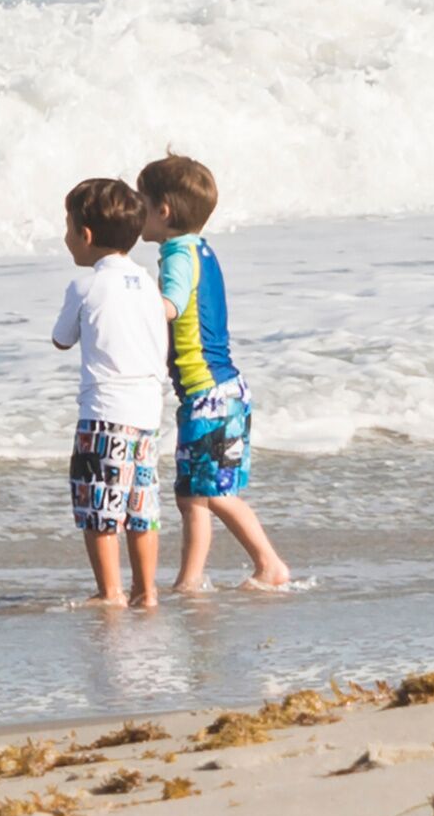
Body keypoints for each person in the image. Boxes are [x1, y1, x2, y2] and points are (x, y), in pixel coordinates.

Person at [138, 152, 293, 593]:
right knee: (192, 493)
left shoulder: (178, 255)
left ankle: (271, 565)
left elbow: (169, 306)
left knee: (216, 492)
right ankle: (190, 580)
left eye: (140, 203)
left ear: (162, 211)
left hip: (211, 393)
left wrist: (132, 301)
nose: (136, 213)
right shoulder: (197, 249)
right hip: (212, 393)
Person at [49, 175, 169, 608]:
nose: (66, 239)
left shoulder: (85, 285)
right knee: (140, 505)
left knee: (98, 503)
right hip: (146, 414)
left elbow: (62, 338)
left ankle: (110, 592)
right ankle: (146, 590)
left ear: (84, 235)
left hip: (104, 411)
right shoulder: (148, 285)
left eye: (68, 229)